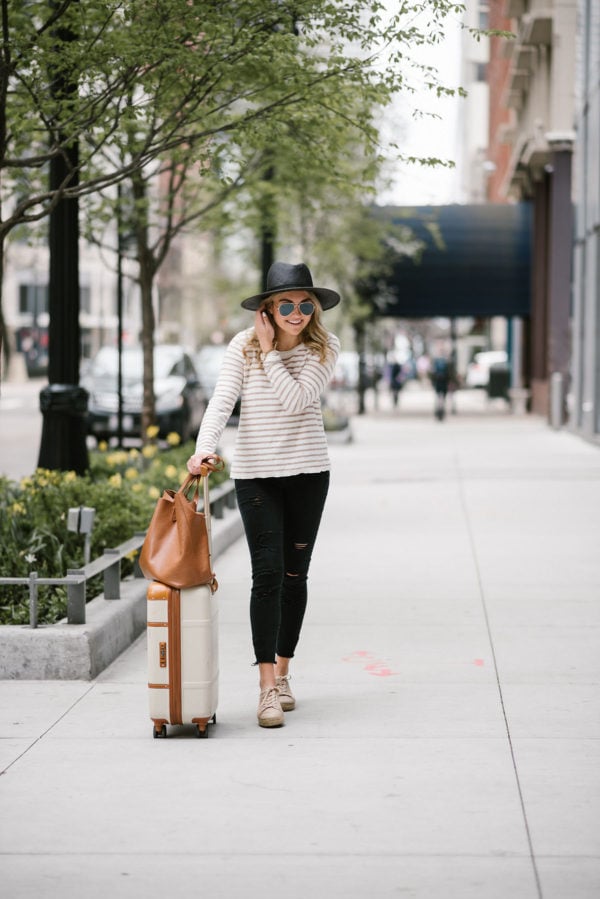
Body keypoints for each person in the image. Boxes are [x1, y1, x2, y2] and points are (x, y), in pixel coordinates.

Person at [187, 262, 341, 728]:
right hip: (257, 475)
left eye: (304, 304)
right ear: (268, 309)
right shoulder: (242, 345)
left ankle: (285, 671)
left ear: (313, 307)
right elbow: (222, 399)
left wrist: (273, 352)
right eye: (286, 304)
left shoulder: (324, 347)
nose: (297, 313)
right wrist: (204, 447)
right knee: (267, 574)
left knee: (296, 575)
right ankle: (266, 688)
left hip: (308, 474)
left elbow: (297, 401)